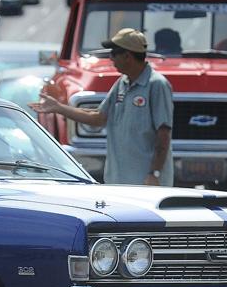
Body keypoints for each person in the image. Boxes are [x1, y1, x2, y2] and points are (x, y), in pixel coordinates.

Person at [31, 28, 173, 186]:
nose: (111, 59)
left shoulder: (157, 84)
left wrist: (154, 173)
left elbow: (164, 134)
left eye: (114, 53)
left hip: (147, 184)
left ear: (128, 56)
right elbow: (98, 117)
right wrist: (58, 107)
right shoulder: (122, 83)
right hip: (119, 181)